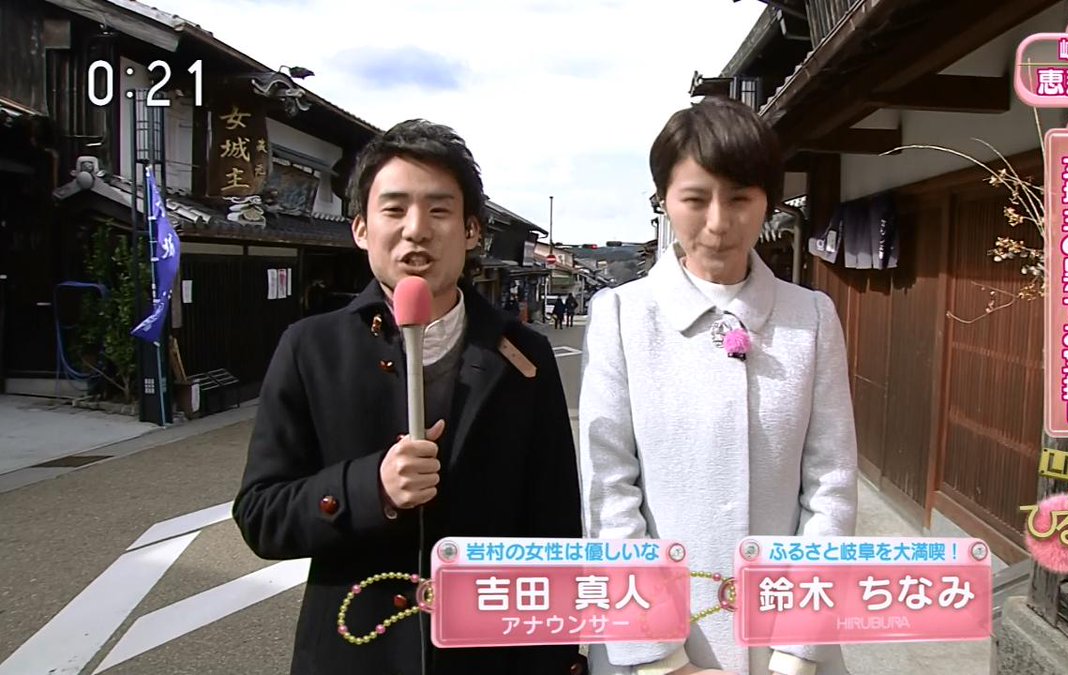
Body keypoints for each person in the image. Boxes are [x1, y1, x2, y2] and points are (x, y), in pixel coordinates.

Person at [233, 119, 584, 675]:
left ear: (472, 231)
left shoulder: (524, 355)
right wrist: (372, 487)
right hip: (354, 653)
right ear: (360, 228)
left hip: (492, 654)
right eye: (394, 209)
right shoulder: (310, 348)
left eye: (439, 210)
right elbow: (261, 515)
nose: (416, 230)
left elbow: (556, 528)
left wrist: (557, 658)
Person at [578, 97, 858, 675]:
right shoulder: (622, 316)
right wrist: (663, 662)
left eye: (739, 198)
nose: (718, 222)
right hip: (656, 644)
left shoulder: (810, 318)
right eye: (695, 198)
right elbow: (608, 493)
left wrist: (795, 653)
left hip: (783, 646)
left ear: (768, 202)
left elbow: (830, 488)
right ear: (663, 200)